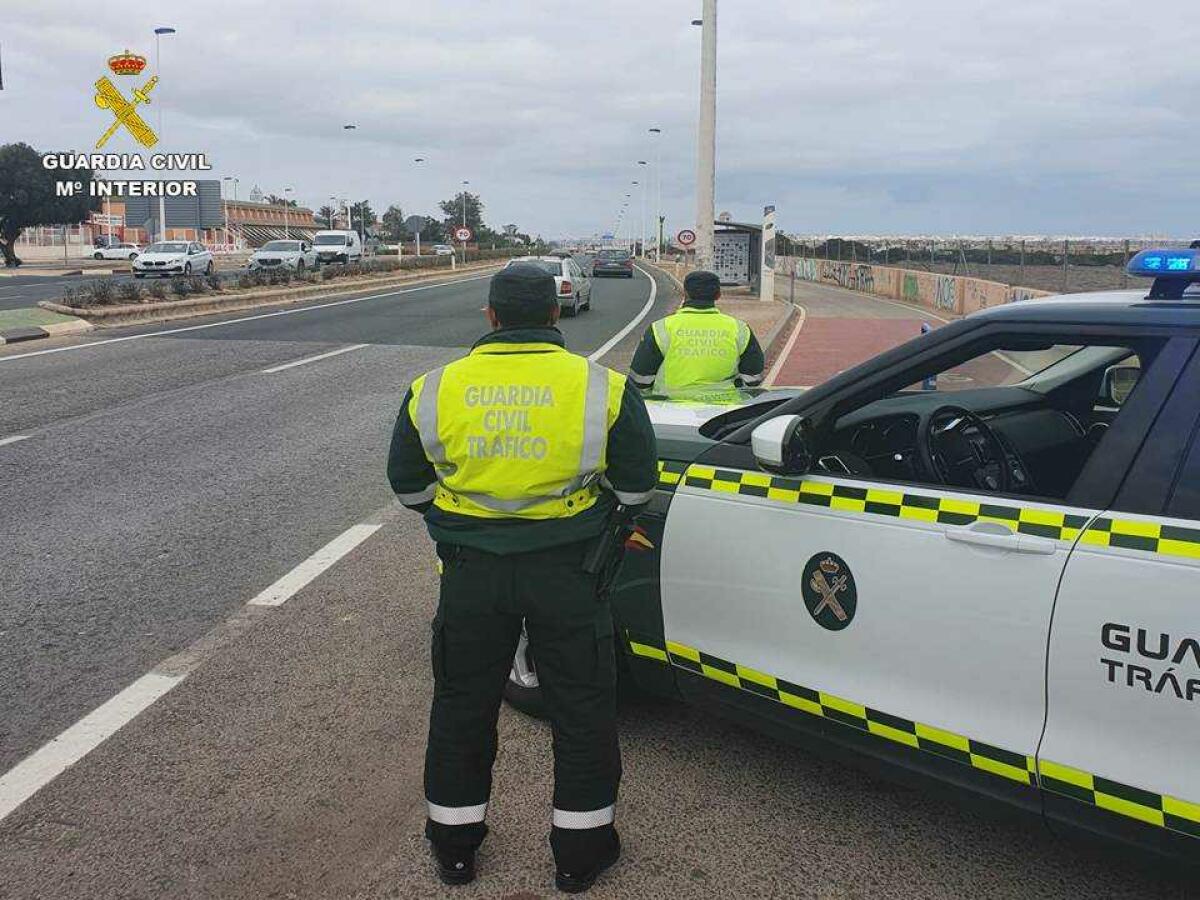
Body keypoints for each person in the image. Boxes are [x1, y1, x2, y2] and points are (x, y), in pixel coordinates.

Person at [387, 263, 658, 893]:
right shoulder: (602, 388)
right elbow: (637, 487)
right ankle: (579, 855)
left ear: (490, 316)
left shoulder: (434, 387)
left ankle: (455, 849)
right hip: (569, 573)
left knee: (461, 706)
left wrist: (460, 523)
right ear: (556, 314)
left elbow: (408, 486)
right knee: (583, 710)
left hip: (470, 575)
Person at [628, 269, 765, 395]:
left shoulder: (661, 328)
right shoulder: (739, 329)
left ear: (685, 293)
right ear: (718, 295)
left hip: (671, 408)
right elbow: (753, 379)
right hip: (724, 412)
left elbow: (640, 380)